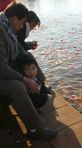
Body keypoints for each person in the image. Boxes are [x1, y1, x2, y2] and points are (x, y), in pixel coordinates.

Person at [0, 2, 57, 140]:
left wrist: (27, 55)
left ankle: (41, 87)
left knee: (28, 57)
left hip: (4, 66)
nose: (22, 27)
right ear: (14, 19)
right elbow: (1, 67)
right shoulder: (1, 32)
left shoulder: (7, 28)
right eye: (23, 22)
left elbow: (18, 49)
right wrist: (24, 79)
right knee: (18, 87)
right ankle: (35, 129)